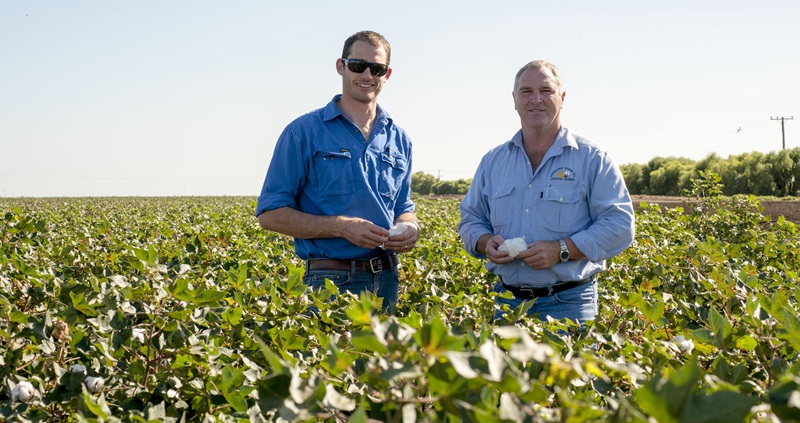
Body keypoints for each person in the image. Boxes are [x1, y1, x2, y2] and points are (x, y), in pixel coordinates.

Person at [458, 60, 635, 325]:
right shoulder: (493, 161)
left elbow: (620, 225)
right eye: (526, 91)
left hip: (569, 303)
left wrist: (562, 250)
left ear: (562, 98)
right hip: (506, 303)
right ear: (515, 100)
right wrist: (485, 242)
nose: (536, 99)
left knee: (572, 368)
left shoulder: (592, 158)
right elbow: (471, 218)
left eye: (546, 91)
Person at [255, 30, 419, 312]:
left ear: (387, 74)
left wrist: (411, 226)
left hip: (388, 280)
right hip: (330, 282)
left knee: (382, 358)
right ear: (341, 66)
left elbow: (403, 206)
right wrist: (342, 228)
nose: (367, 75)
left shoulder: (399, 138)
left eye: (376, 69)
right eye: (357, 66)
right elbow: (270, 214)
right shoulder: (303, 132)